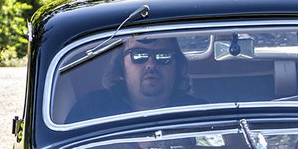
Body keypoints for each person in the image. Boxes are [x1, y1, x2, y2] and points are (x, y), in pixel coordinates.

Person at [66, 36, 202, 122]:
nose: (151, 65)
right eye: (138, 55)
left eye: (163, 56)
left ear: (177, 65)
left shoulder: (197, 113)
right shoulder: (91, 110)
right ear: (121, 65)